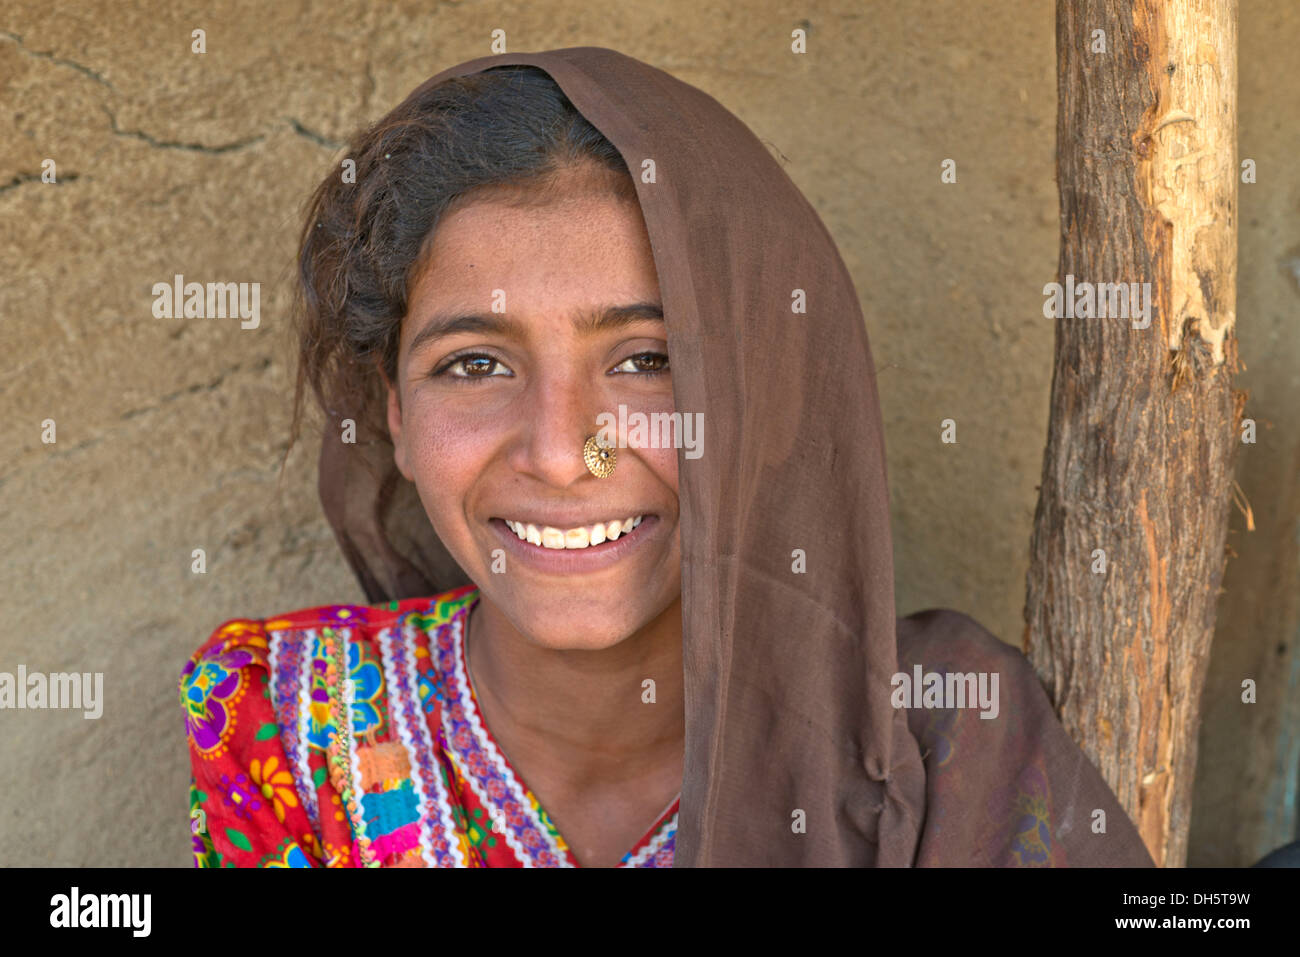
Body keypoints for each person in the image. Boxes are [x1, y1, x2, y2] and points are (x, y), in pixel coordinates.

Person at [180, 47, 1154, 867]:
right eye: (473, 364)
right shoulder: (283, 722)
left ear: (758, 396)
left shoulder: (942, 745)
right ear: (393, 410)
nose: (562, 452)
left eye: (649, 361)